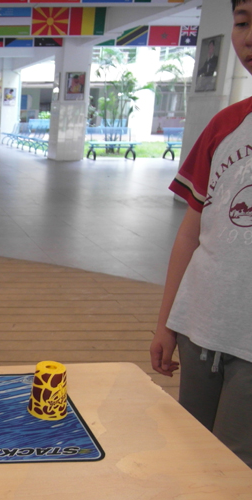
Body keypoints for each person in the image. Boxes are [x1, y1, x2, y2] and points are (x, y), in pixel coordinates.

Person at [150, 0, 252, 469]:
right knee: (189, 453)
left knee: (235, 467)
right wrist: (167, 322)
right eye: (243, 21)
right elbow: (190, 235)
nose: (249, 36)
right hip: (200, 328)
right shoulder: (224, 126)